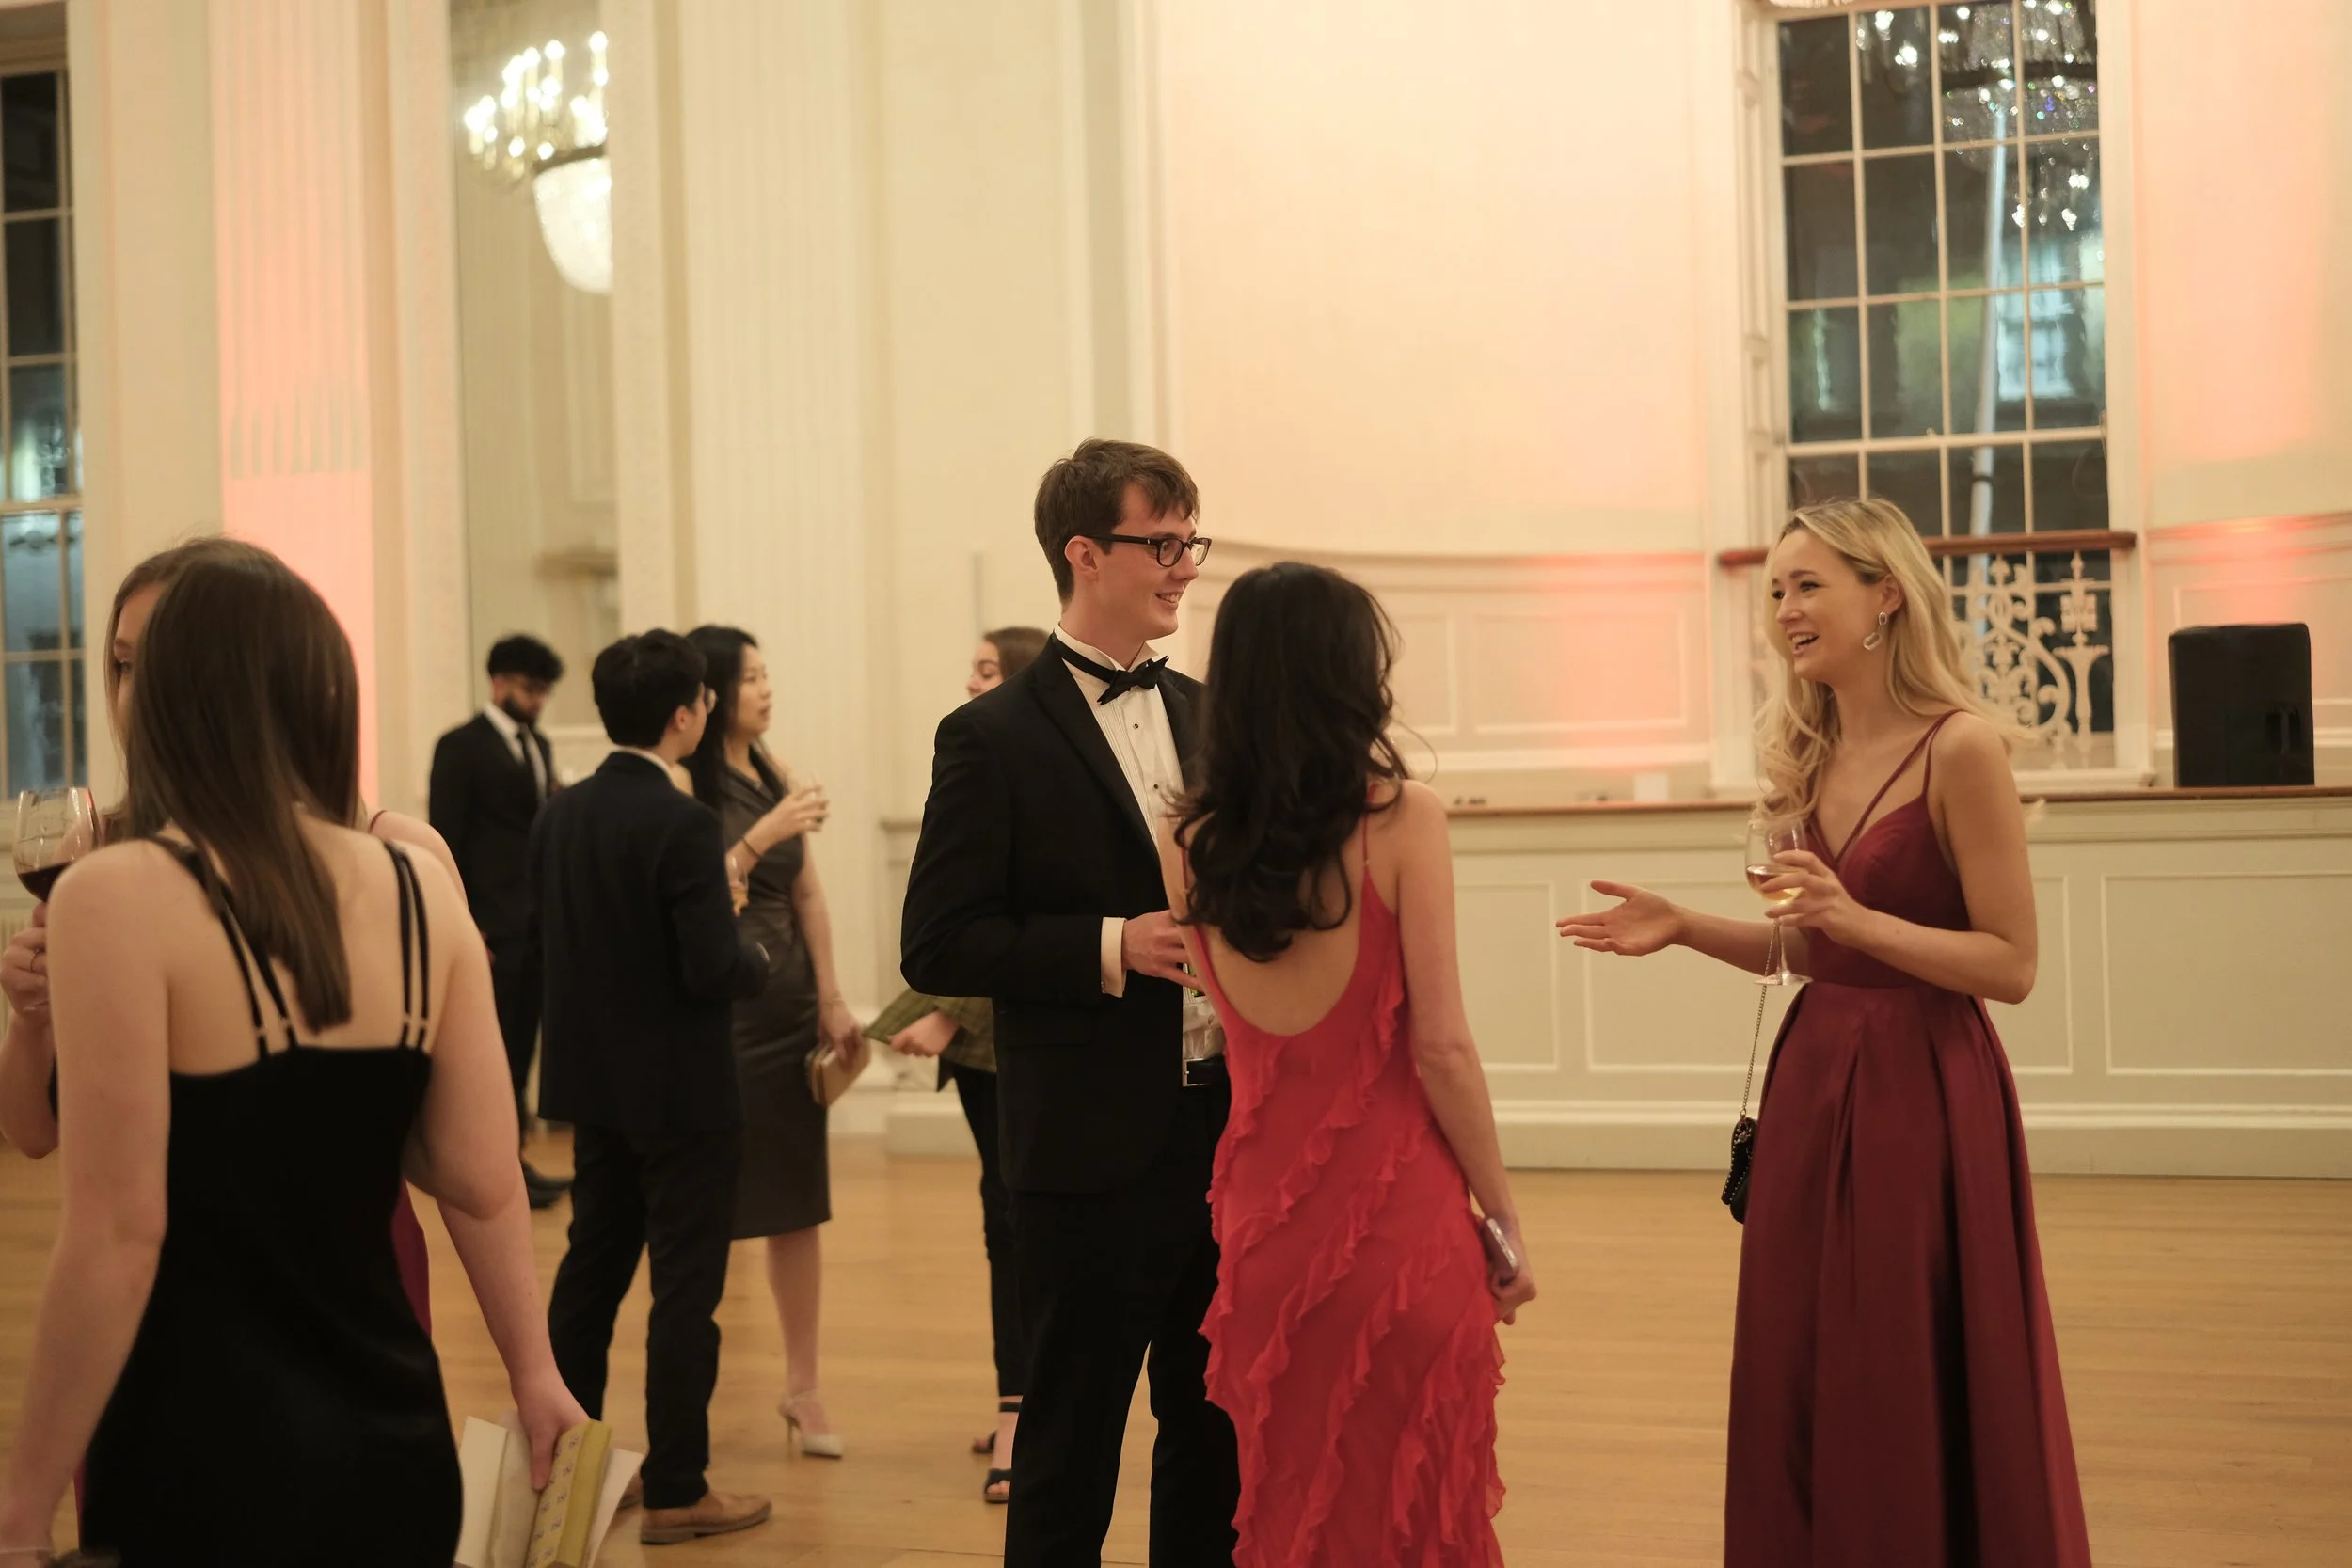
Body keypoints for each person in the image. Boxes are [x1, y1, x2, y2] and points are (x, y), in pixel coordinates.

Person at [0, 545, 586, 1565]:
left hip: (197, 1433)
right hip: (394, 1428)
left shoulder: (117, 894)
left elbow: (117, 1232)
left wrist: (20, 1499)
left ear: (179, 692)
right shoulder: (419, 892)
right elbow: (483, 1176)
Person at [1557, 498, 2091, 1566]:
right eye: (1774, 592)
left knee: (1893, 1349)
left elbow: (2011, 965)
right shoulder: (1807, 749)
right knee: (1805, 1351)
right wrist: (1686, 927)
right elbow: (1815, 954)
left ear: (1884, 592)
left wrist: (1853, 915)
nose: (1784, 610)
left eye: (1808, 585)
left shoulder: (1962, 748)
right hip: (1814, 1079)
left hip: (1923, 1089)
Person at [901, 440, 1240, 1567]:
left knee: (1211, 1425)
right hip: (1088, 1142)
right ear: (1085, 552)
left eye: (1192, 539)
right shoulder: (990, 736)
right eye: (1163, 541)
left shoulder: (1207, 710)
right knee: (1071, 1438)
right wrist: (1110, 944)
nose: (1184, 565)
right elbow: (939, 937)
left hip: (1224, 1128)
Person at [1160, 562, 1532, 1567]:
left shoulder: (1185, 840)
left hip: (1262, 1235)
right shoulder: (1404, 817)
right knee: (1416, 1516)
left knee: (1298, 1515)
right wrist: (1502, 1218)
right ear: (1346, 675)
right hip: (1400, 1236)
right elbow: (1442, 1045)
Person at [1, 537, 444, 1331]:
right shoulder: (93, 852)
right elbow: (34, 1133)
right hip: (159, 1293)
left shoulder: (389, 852)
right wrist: (31, 1016)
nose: (138, 692)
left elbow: (467, 1163)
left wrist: (530, 1361)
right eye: (123, 665)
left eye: (162, 663)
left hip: (350, 1265)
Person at [534, 630, 775, 1547]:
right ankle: (677, 1485)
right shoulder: (681, 824)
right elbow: (711, 966)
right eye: (706, 701)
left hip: (593, 1086)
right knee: (684, 1291)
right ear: (684, 716)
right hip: (682, 1091)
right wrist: (749, 946)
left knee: (590, 1273)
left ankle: (571, 1469)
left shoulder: (559, 813)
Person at [682, 625, 863, 1459]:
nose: (766, 688)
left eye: (767, 674)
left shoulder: (775, 770)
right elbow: (706, 887)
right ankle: (686, 1389)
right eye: (751, 677)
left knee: (797, 1205)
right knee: (707, 1204)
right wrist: (768, 829)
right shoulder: (689, 783)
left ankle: (805, 1383)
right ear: (712, 691)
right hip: (723, 1014)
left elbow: (811, 896)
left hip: (788, 1008)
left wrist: (832, 997)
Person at [881, 624, 1051, 1503]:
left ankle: (1028, 1412)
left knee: (1023, 1223)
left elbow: (1025, 912)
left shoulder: (1034, 760)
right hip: (989, 1047)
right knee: (1004, 1222)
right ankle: (1018, 1400)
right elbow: (957, 916)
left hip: (1034, 1037)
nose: (974, 683)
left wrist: (948, 1013)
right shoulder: (979, 754)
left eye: (987, 669)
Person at [430, 632, 571, 1209]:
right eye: (530, 689)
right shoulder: (459, 746)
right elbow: (446, 839)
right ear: (499, 682)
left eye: (544, 692)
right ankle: (494, 1163)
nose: (538, 701)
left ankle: (513, 1159)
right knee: (488, 1053)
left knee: (521, 1045)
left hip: (534, 923)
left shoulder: (538, 744)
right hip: (489, 923)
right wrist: (466, 922)